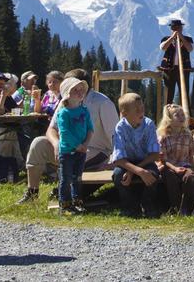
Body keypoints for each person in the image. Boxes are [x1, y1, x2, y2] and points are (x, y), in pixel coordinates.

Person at [17, 68, 118, 203]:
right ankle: (32, 193)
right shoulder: (66, 100)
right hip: (67, 148)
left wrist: (115, 161)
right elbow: (51, 129)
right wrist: (56, 144)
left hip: (96, 152)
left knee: (72, 159)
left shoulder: (103, 103)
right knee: (38, 144)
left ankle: (66, 193)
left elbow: (115, 136)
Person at [111, 92, 161, 218]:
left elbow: (155, 154)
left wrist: (135, 171)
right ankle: (130, 206)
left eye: (142, 108)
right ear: (124, 113)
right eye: (137, 110)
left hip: (145, 161)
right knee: (118, 176)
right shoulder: (120, 127)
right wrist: (138, 171)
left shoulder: (148, 124)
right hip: (126, 163)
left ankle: (148, 204)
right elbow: (118, 159)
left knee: (153, 175)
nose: (141, 112)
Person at [157, 103, 194, 215]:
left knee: (191, 177)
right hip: (168, 166)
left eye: (182, 114)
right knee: (171, 178)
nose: (181, 117)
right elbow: (162, 159)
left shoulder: (188, 135)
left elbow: (190, 155)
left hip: (184, 164)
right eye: (177, 115)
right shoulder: (163, 137)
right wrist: (175, 168)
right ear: (169, 119)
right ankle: (178, 207)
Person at [54, 77, 93, 215]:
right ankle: (64, 203)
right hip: (67, 152)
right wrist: (77, 145)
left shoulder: (84, 111)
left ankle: (77, 201)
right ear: (66, 93)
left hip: (81, 150)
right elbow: (64, 132)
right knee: (66, 178)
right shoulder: (63, 113)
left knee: (78, 177)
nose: (79, 92)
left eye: (81, 90)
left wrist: (85, 144)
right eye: (75, 90)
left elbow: (90, 129)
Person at [159, 19, 193, 106]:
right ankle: (168, 115)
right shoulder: (166, 39)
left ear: (181, 28)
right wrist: (172, 37)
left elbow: (190, 49)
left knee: (184, 92)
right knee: (168, 94)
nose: (176, 30)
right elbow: (163, 48)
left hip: (184, 69)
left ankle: (186, 116)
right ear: (171, 29)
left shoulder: (188, 39)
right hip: (169, 69)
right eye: (174, 28)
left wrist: (181, 37)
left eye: (178, 28)